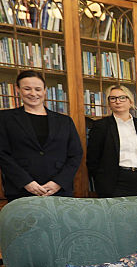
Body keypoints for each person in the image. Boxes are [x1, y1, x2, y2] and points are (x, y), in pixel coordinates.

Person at [0, 69, 82, 200]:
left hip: (58, 191)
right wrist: (27, 182)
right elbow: (2, 154)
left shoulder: (64, 121)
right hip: (21, 190)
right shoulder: (5, 118)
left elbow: (76, 154)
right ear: (18, 89)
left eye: (38, 89)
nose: (33, 94)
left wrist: (58, 183)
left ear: (45, 90)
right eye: (27, 89)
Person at [86, 84, 137, 197]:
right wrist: (101, 181)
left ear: (130, 101)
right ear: (109, 103)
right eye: (113, 98)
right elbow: (93, 159)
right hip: (114, 182)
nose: (117, 101)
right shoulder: (101, 126)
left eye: (122, 97)